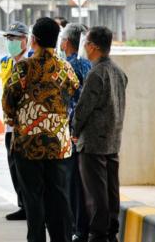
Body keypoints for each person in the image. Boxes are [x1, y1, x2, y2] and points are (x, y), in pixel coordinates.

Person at [2, 17, 80, 242]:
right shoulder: (65, 67)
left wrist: (18, 120)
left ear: (33, 40)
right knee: (59, 198)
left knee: (33, 201)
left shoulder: (24, 67)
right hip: (59, 146)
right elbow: (73, 90)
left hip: (28, 146)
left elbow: (8, 100)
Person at [72, 27, 128, 242]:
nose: (84, 47)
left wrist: (74, 132)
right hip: (113, 140)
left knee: (95, 194)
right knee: (111, 190)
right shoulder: (118, 72)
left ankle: (98, 234)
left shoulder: (96, 73)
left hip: (93, 143)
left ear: (94, 47)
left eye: (86, 43)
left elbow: (83, 108)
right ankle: (111, 232)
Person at [59, 23, 92, 241]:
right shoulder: (89, 66)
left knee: (72, 183)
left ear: (68, 42)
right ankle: (83, 228)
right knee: (84, 183)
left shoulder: (65, 67)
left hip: (70, 131)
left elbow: (62, 101)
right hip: (88, 131)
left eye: (62, 39)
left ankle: (75, 228)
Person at [0, 21, 30, 221]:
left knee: (27, 168)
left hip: (27, 125)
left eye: (15, 38)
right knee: (14, 167)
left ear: (25, 40)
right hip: (10, 124)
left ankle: (31, 206)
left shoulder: (32, 62)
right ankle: (23, 205)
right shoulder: (6, 61)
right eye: (9, 38)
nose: (10, 42)